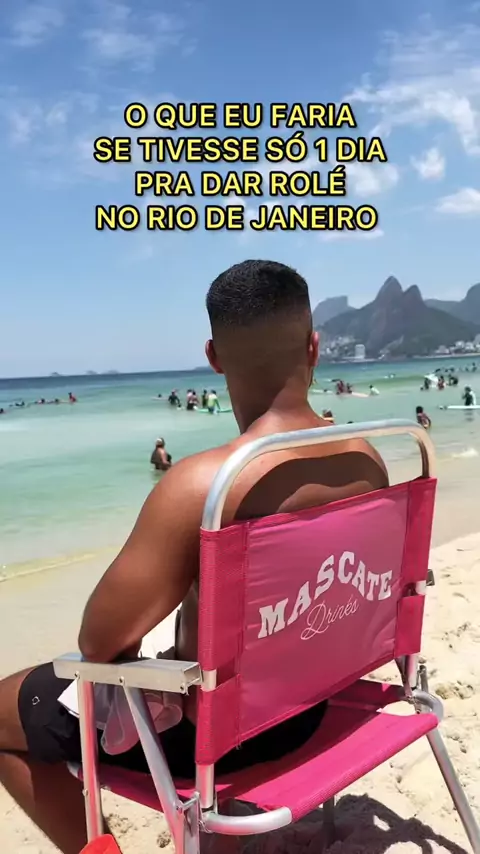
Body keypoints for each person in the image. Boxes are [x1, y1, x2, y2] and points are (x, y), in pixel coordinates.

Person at [0, 260, 389, 853]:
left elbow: (98, 643)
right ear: (314, 346)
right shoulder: (367, 460)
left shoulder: (204, 486)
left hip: (224, 739)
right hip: (312, 708)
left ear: (212, 357)